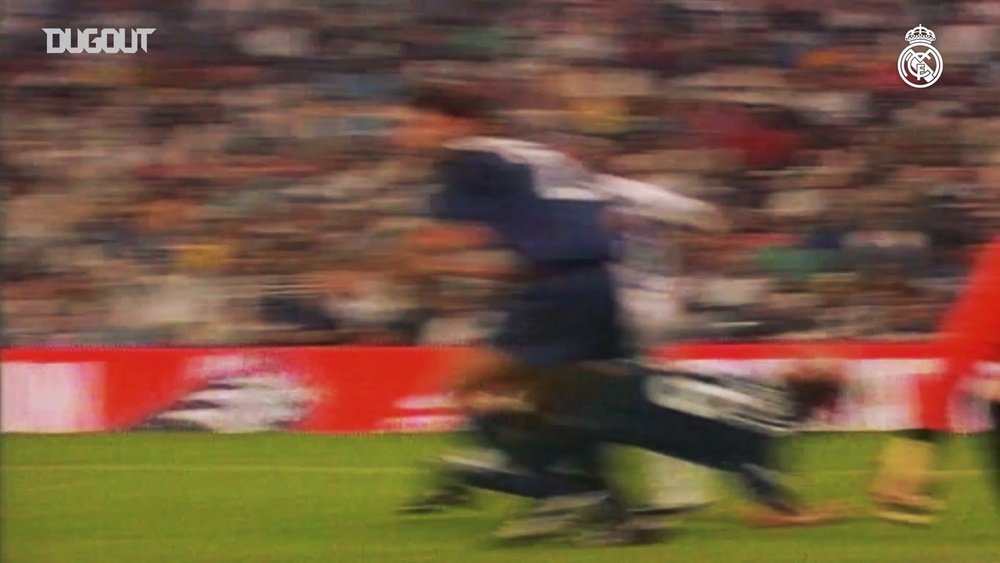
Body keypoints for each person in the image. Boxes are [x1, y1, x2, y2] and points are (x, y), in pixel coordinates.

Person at [394, 83, 630, 514]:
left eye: (416, 123)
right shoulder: (530, 155)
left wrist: (415, 254)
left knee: (467, 384)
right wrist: (453, 266)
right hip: (598, 283)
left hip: (557, 290)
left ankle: (559, 488)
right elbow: (550, 236)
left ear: (459, 124)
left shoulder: (466, 160)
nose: (404, 134)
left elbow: (439, 239)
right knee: (565, 398)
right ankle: (604, 496)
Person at [436, 358, 850, 544]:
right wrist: (805, 514)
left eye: (810, 367)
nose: (800, 361)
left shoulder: (760, 392)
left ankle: (481, 448)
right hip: (618, 410)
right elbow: (765, 509)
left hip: (619, 384)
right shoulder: (771, 426)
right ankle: (472, 465)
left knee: (549, 445)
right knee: (568, 479)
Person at [870, 236, 1000, 524]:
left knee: (934, 409)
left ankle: (898, 490)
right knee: (935, 410)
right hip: (973, 343)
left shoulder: (993, 257)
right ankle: (899, 491)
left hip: (965, 340)